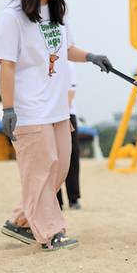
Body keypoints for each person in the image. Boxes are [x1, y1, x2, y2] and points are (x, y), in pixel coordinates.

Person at [0, 0, 112, 251]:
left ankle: (21, 221)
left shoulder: (57, 11)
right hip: (29, 109)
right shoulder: (13, 17)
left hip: (58, 107)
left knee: (59, 167)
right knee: (39, 168)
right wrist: (8, 108)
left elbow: (66, 50)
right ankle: (51, 232)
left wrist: (91, 57)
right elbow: (6, 64)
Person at [57, 62, 81, 210]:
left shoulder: (67, 64)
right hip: (47, 116)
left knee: (72, 155)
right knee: (53, 159)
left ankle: (74, 198)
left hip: (67, 113)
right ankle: (56, 200)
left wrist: (60, 112)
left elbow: (71, 92)